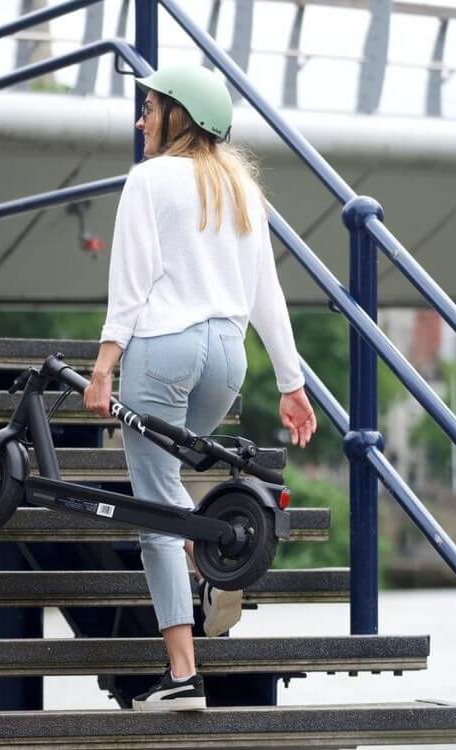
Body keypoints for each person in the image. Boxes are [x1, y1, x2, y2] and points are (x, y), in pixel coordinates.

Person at [83, 64, 317, 712]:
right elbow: (268, 294)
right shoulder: (242, 187)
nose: (141, 120)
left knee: (154, 511)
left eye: (150, 108)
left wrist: (104, 367)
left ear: (177, 116)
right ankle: (210, 557)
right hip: (226, 358)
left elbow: (130, 284)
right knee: (173, 489)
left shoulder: (149, 180)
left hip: (164, 351)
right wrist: (292, 383)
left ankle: (182, 676)